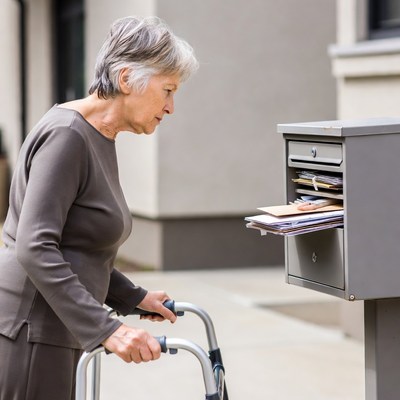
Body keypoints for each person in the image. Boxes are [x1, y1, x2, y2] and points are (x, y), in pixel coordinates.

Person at [0, 16, 199, 400]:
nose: (171, 107)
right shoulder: (67, 136)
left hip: (57, 327)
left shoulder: (98, 135)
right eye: (168, 90)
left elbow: (79, 245)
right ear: (127, 79)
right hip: (32, 329)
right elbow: (35, 246)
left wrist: (132, 297)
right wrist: (109, 329)